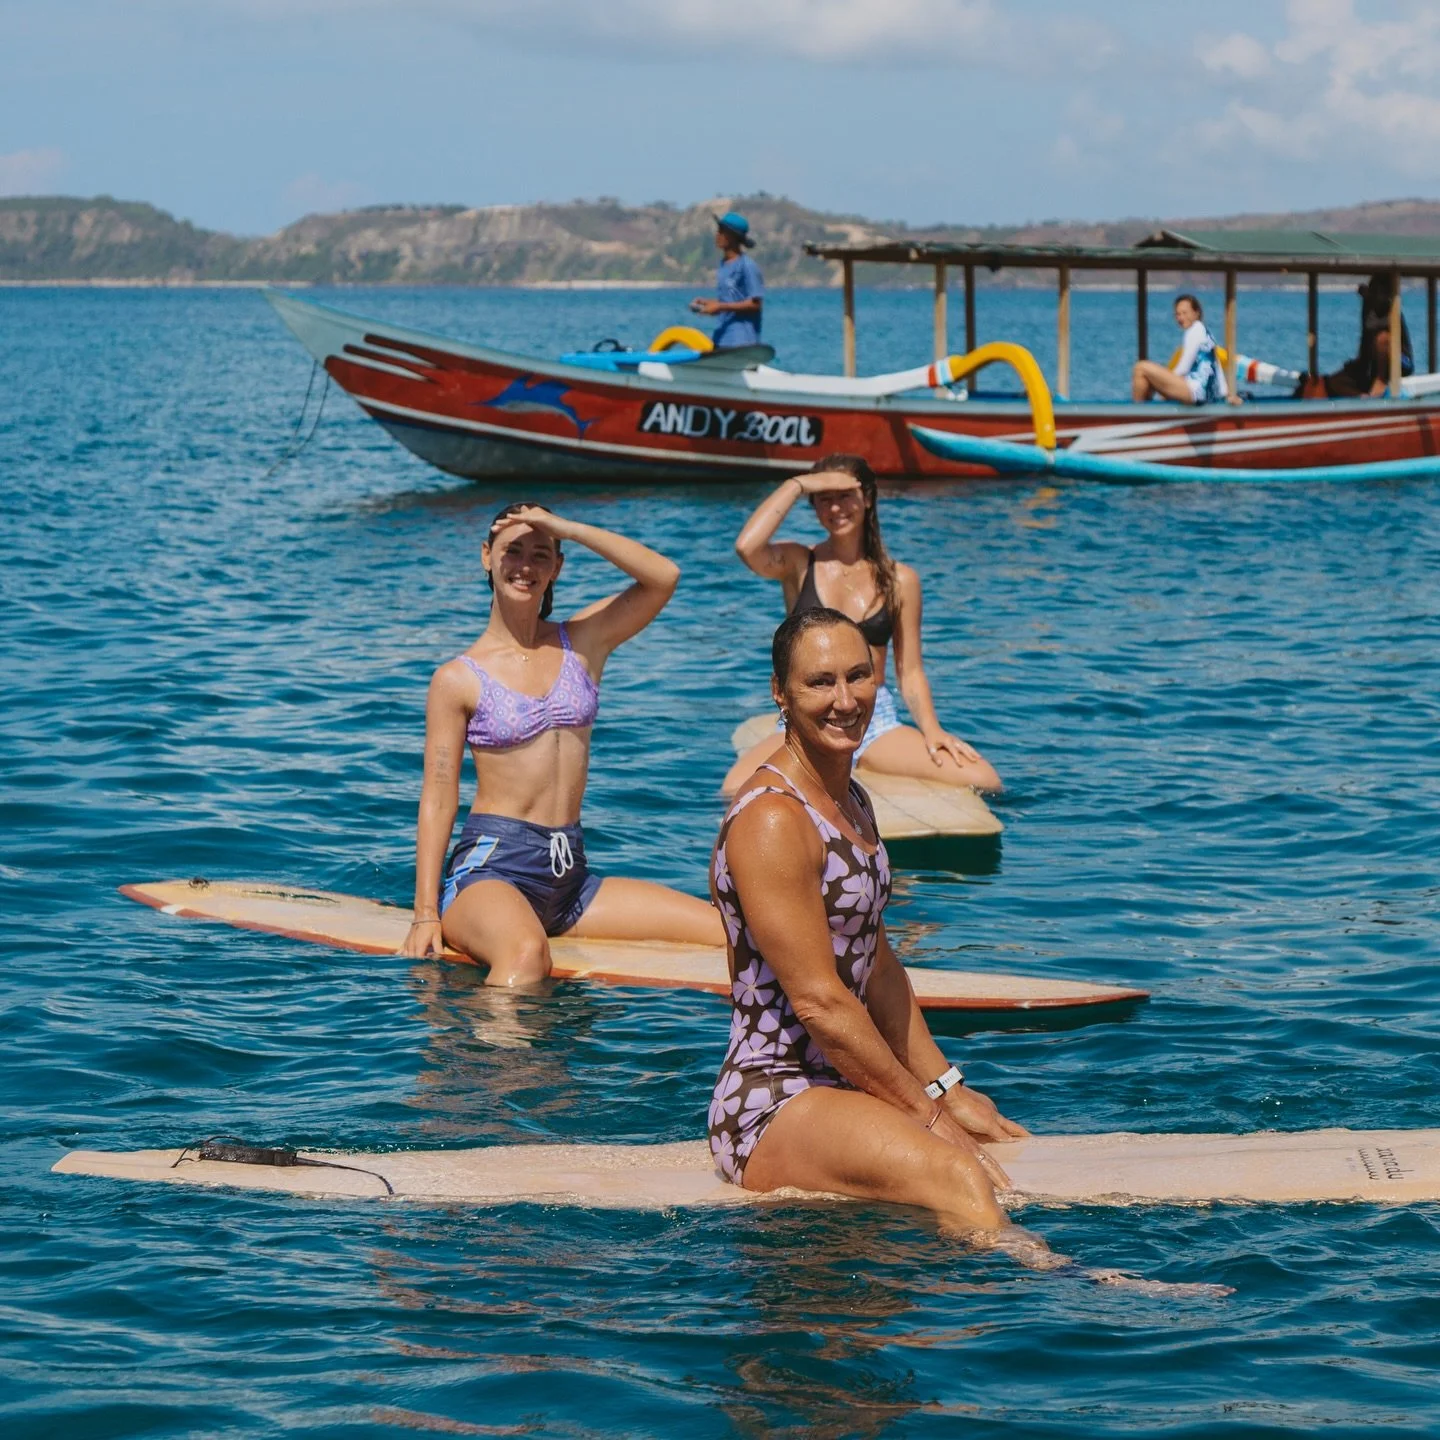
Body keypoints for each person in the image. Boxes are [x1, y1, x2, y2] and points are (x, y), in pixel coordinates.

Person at [709, 608, 1025, 1230]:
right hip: (774, 1100)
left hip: (852, 1086)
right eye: (820, 682)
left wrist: (949, 1090)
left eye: (858, 676)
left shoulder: (852, 800)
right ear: (781, 692)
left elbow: (877, 965)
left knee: (1001, 1138)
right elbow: (822, 1003)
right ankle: (1062, 1293)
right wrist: (928, 1118)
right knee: (958, 1173)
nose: (845, 699)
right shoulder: (773, 819)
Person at [400, 503, 723, 984]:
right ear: (487, 557)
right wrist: (426, 912)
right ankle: (481, 1062)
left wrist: (568, 528)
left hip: (571, 878)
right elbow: (439, 795)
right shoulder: (457, 679)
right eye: (513, 552)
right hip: (493, 871)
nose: (525, 566)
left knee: (727, 930)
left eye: (541, 554)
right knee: (526, 956)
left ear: (557, 567)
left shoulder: (584, 642)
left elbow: (663, 576)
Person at [725, 454, 1001, 796]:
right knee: (734, 790)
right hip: (808, 720)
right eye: (824, 498)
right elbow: (746, 546)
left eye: (845, 495)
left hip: (872, 720)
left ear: (867, 498)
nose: (836, 507)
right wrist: (795, 485)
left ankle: (858, 764)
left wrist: (932, 730)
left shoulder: (900, 581)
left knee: (984, 780)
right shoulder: (798, 564)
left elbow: (910, 670)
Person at [1320, 273, 1413, 398]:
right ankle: (1361, 397)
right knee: (1334, 382)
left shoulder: (1392, 311)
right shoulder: (1368, 308)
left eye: (1380, 292)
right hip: (1370, 366)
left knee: (1383, 338)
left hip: (1401, 362)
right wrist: (1357, 364)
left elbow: (1379, 333)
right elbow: (1365, 339)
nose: (1376, 296)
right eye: (1373, 290)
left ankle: (1381, 380)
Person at [1131, 294, 1231, 405]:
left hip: (1198, 392)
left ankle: (1136, 413)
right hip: (1208, 392)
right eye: (1177, 314)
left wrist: (1164, 385)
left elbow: (1183, 368)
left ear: (1196, 313)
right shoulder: (1203, 331)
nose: (1181, 318)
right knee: (1152, 376)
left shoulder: (1195, 330)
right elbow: (1215, 367)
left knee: (1140, 368)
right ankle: (1146, 411)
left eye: (1184, 313)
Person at [689, 211, 764, 350]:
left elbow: (756, 304)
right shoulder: (724, 265)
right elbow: (731, 301)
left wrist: (721, 307)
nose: (717, 235)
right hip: (722, 340)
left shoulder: (747, 265)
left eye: (721, 232)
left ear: (732, 237)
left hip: (742, 342)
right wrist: (709, 304)